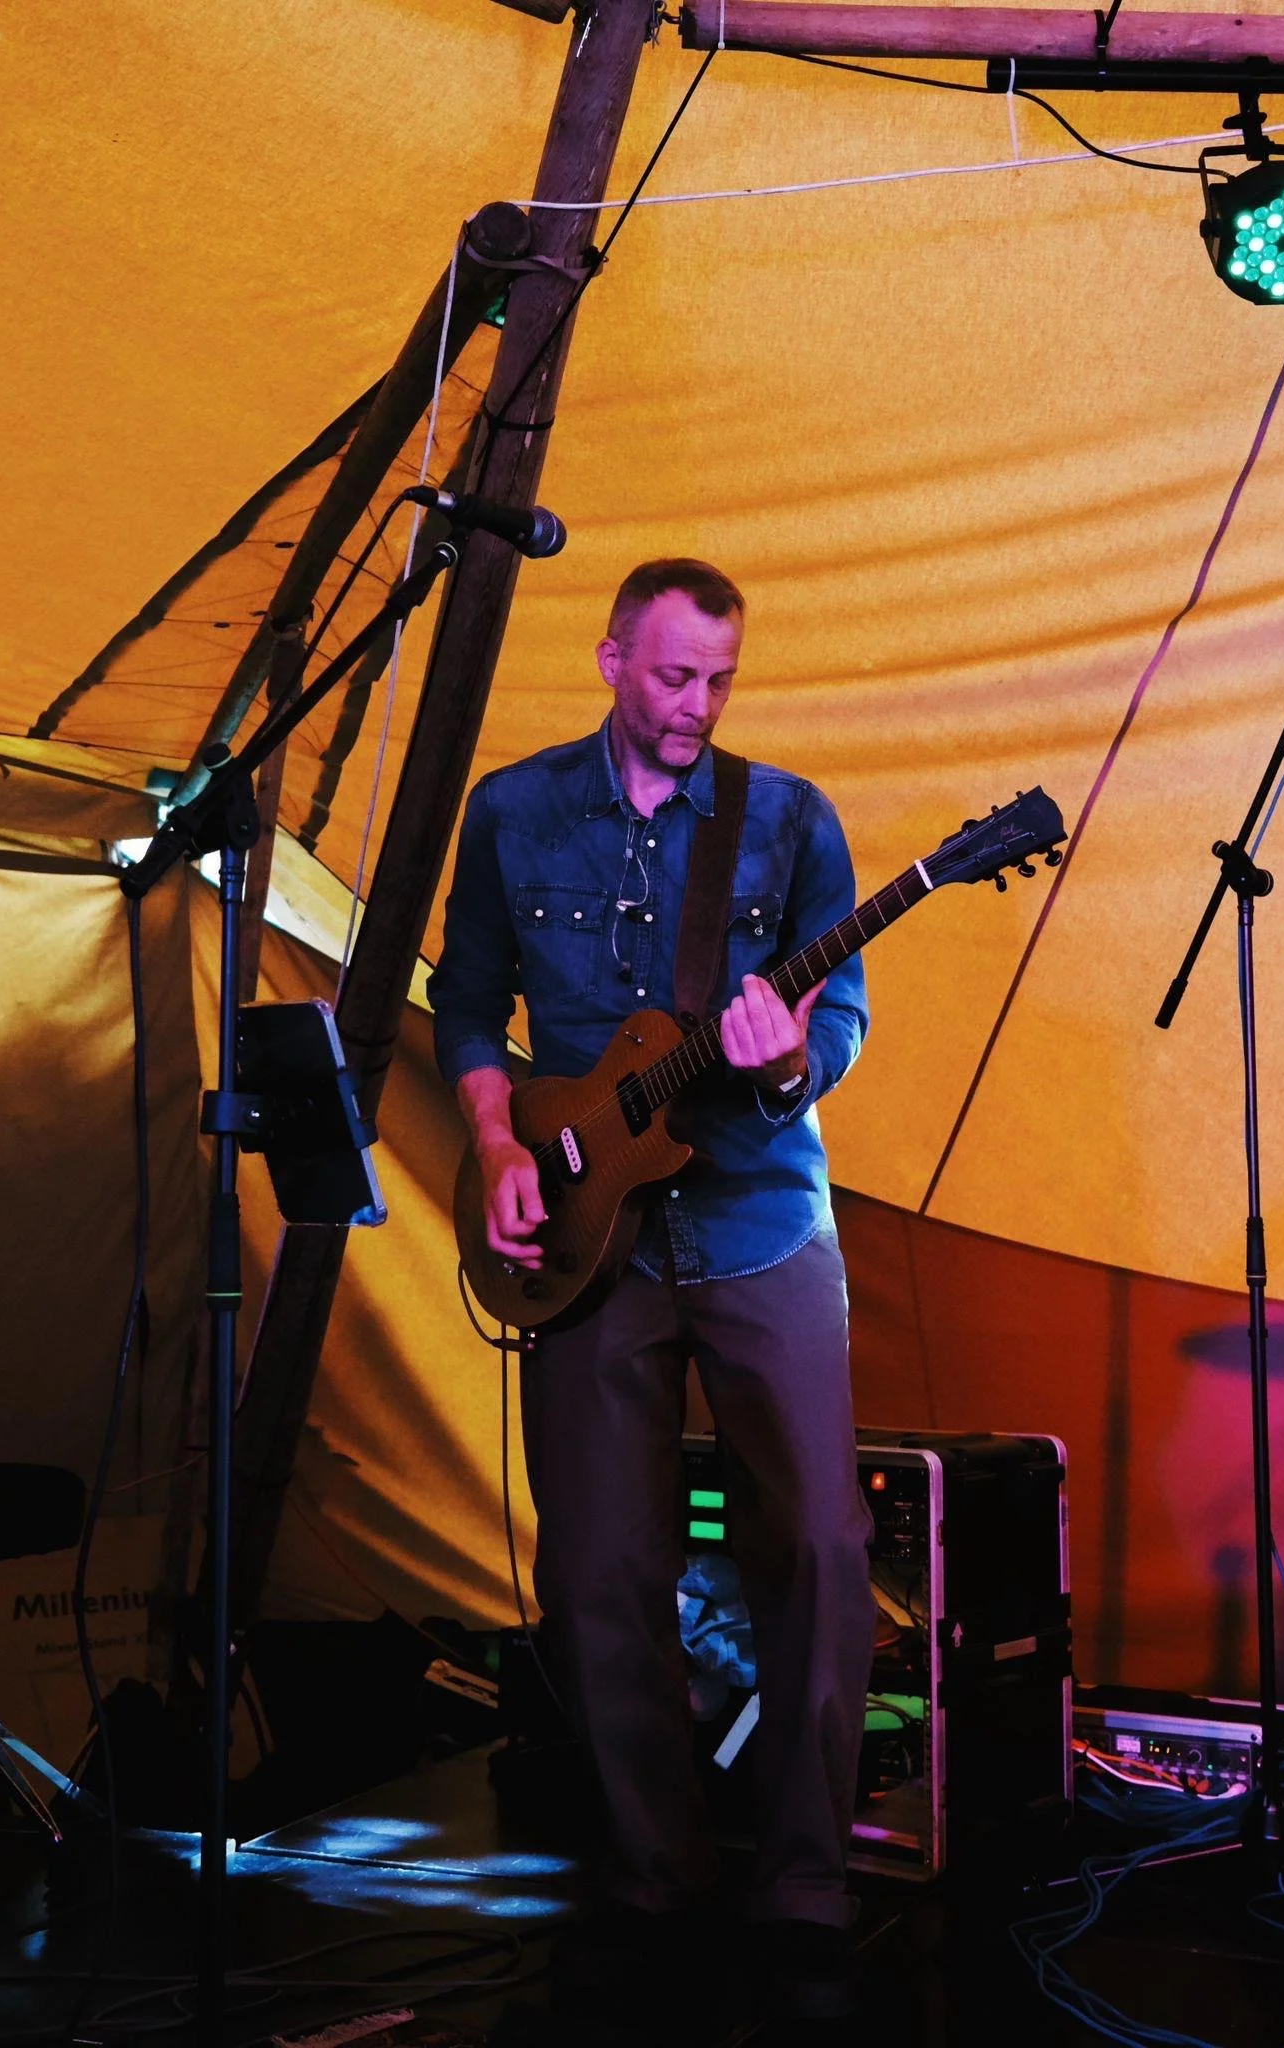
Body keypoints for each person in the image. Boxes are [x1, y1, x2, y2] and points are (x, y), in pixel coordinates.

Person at [427, 559, 875, 2017]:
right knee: (598, 1566)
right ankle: (653, 1871)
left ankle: (806, 1878)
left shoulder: (790, 819)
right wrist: (497, 1142)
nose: (697, 707)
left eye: (720, 682)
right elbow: (468, 1002)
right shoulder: (511, 811)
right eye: (674, 676)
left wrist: (787, 1057)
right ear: (614, 656)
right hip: (582, 1230)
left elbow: (840, 1021)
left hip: (756, 1217)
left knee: (812, 1538)